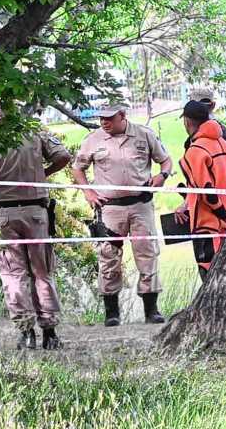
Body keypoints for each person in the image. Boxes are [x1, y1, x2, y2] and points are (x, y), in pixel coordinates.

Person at [71, 103, 172, 327]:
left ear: (122, 116)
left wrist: (162, 175)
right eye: (101, 118)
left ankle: (151, 310)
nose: (104, 122)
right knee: (108, 256)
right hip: (110, 208)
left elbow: (165, 160)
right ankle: (112, 313)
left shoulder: (144, 135)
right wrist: (88, 192)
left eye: (109, 118)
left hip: (141, 205)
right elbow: (77, 168)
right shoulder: (93, 139)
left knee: (147, 254)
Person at [0, 125, 71, 350]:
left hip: (3, 213)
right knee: (42, 272)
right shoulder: (36, 133)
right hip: (36, 212)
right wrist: (42, 174)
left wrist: (2, 185)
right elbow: (63, 156)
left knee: (12, 274)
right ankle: (50, 333)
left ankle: (26, 333)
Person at [175, 100, 226, 282]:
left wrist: (222, 214)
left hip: (206, 225)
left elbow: (206, 191)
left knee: (210, 275)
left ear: (187, 122)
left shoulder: (195, 151)